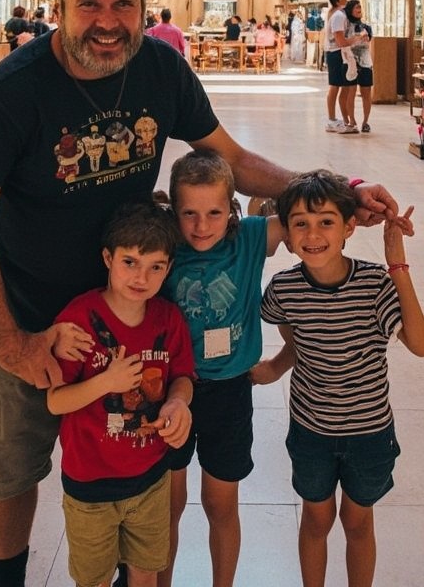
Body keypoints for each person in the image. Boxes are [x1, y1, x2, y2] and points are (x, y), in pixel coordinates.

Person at [0, 0, 403, 587]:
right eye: (89, 3)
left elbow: (234, 162)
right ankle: (8, 580)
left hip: (130, 313)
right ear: (59, 7)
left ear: (142, 7)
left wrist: (336, 190)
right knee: (12, 467)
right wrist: (9, 339)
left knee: (129, 464)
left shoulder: (159, 70)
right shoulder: (15, 92)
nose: (107, 20)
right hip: (29, 310)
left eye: (123, 4)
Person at [256, 171, 424, 587]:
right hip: (311, 431)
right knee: (316, 520)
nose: (313, 234)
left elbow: (421, 345)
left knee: (357, 521)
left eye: (326, 222)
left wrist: (397, 265)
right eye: (300, 223)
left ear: (349, 227)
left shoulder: (374, 285)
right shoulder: (283, 290)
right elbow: (296, 343)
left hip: (369, 433)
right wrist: (274, 368)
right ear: (287, 234)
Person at [48, 200, 195, 587]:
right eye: (130, 262)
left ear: (168, 268)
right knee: (94, 579)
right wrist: (105, 382)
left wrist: (178, 401)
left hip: (151, 479)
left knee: (145, 572)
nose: (141, 277)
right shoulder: (79, 320)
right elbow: (55, 400)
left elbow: (183, 375)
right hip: (89, 486)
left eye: (155, 267)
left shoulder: (169, 319)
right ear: (107, 258)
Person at [158, 150, 285, 587]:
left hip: (230, 391)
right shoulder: (162, 244)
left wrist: (355, 195)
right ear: (173, 210)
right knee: (167, 507)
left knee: (221, 504)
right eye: (189, 213)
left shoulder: (251, 238)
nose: (201, 226)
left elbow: (311, 213)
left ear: (231, 208)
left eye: (214, 212)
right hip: (169, 391)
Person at [323, 0, 359, 134]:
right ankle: (332, 120)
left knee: (338, 86)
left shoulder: (337, 14)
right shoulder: (338, 16)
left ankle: (338, 119)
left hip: (336, 52)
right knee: (335, 86)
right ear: (338, 1)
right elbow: (340, 41)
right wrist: (356, 39)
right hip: (336, 53)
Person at [343, 0, 374, 133]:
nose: (359, 9)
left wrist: (363, 38)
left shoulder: (366, 27)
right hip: (350, 62)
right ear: (350, 10)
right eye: (356, 7)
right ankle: (352, 120)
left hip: (365, 62)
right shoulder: (345, 26)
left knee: (366, 93)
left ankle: (365, 121)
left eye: (360, 7)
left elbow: (368, 41)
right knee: (351, 92)